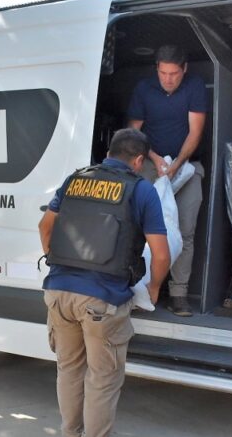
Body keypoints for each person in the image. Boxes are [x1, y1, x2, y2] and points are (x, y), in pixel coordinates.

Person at [38, 128, 171, 437]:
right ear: (138, 160)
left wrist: (58, 263)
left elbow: (45, 227)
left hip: (58, 291)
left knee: (69, 369)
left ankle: (70, 432)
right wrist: (153, 287)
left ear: (109, 152)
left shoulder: (74, 180)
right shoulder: (141, 190)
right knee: (102, 378)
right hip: (102, 298)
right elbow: (161, 255)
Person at [127, 44, 208, 317]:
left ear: (184, 69)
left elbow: (195, 132)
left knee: (185, 230)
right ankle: (139, 289)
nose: (168, 79)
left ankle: (179, 294)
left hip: (187, 166)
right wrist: (154, 157)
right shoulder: (144, 88)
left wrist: (177, 164)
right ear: (157, 69)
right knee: (142, 227)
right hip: (150, 164)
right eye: (163, 73)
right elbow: (133, 132)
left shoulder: (195, 87)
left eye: (174, 73)